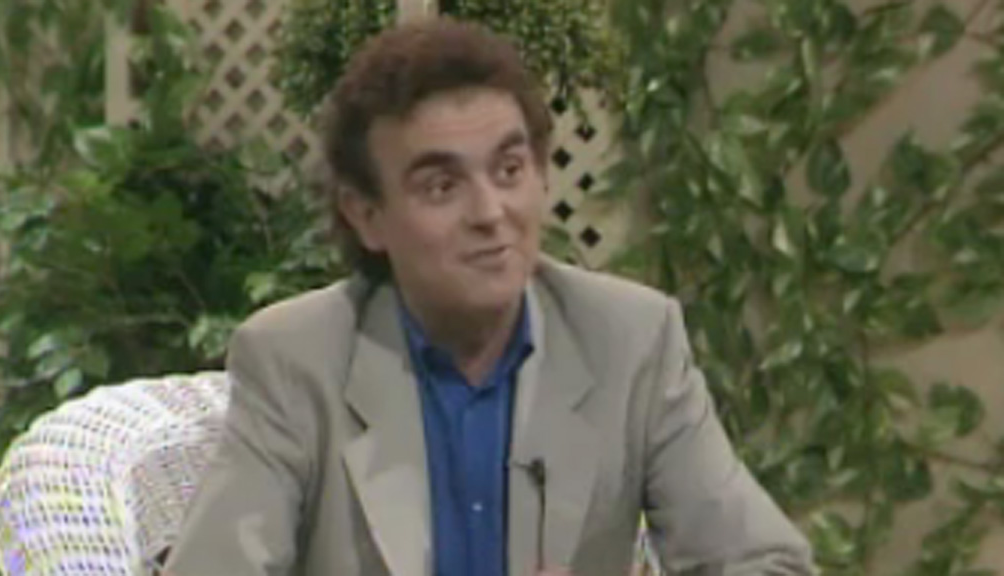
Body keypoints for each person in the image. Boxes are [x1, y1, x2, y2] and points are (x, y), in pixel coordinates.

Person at [164, 18, 815, 576]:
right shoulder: (296, 361)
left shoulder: (631, 340)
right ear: (367, 215)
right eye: (441, 186)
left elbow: (766, 561)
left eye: (509, 170)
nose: (490, 212)